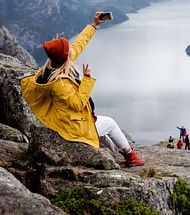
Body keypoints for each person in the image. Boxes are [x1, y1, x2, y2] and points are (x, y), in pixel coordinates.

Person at [20, 12, 144, 167]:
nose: (71, 50)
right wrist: (87, 79)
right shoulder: (60, 84)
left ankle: (114, 154)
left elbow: (79, 44)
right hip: (71, 126)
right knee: (110, 123)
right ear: (65, 56)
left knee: (101, 127)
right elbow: (78, 104)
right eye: (67, 49)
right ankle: (130, 156)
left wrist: (93, 25)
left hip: (67, 118)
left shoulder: (52, 65)